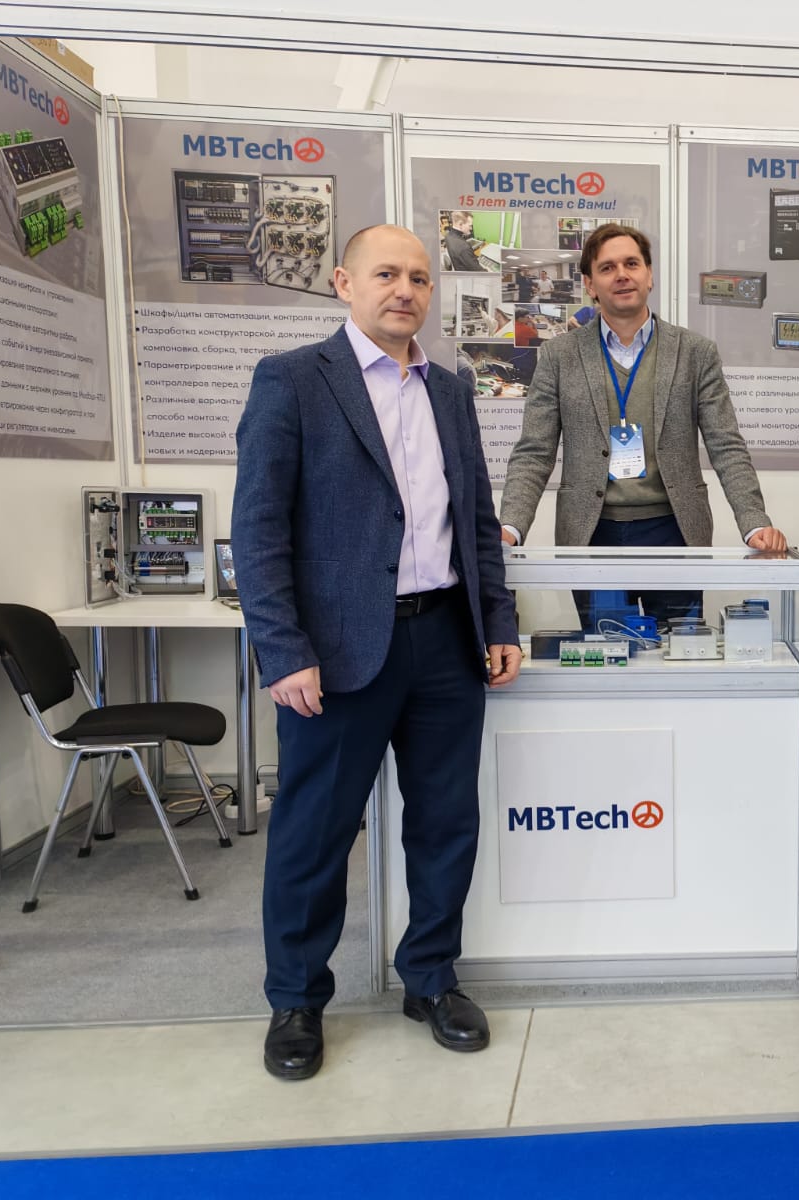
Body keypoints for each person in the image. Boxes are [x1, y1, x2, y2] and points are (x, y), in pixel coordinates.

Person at [233, 224, 522, 1082]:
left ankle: (430, 979)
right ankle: (296, 998)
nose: (406, 290)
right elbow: (258, 529)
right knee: (314, 832)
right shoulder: (292, 379)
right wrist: (282, 648)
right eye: (387, 274)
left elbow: (475, 522)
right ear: (343, 282)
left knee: (445, 823)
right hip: (336, 652)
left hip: (445, 643)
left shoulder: (451, 393)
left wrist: (498, 623)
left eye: (420, 278)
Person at [499, 225, 787, 624]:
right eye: (607, 267)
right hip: (592, 533)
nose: (622, 275)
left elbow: (726, 445)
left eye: (632, 264)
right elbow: (535, 451)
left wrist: (754, 522)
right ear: (590, 285)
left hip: (674, 532)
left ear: (649, 275)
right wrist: (510, 527)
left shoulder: (695, 352)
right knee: (608, 650)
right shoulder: (559, 356)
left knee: (678, 652)